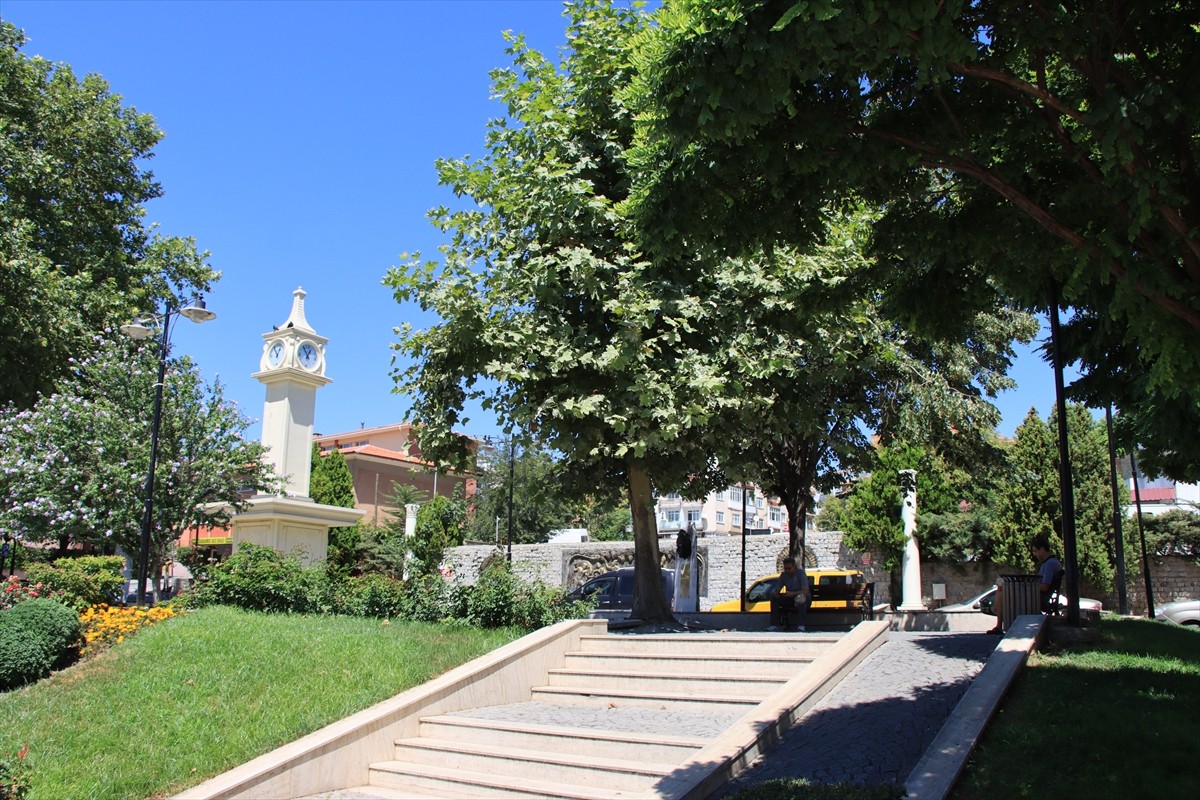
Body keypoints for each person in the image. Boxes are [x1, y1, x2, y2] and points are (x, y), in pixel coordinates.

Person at [987, 534, 1062, 634]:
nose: (1035, 554)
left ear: (1042, 549)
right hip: (1038, 595)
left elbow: (1044, 586)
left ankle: (999, 624)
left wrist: (1026, 587)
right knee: (1001, 589)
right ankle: (999, 622)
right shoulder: (1050, 563)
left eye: (1035, 551)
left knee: (1002, 592)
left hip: (1038, 597)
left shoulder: (1049, 564)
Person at [768, 557, 809, 632]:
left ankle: (801, 625)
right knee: (774, 597)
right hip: (790, 598)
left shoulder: (801, 574)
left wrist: (792, 593)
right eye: (785, 568)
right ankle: (773, 625)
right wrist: (776, 592)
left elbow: (805, 590)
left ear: (794, 567)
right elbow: (778, 588)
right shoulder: (783, 575)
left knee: (801, 598)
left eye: (789, 568)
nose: (787, 571)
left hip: (803, 598)